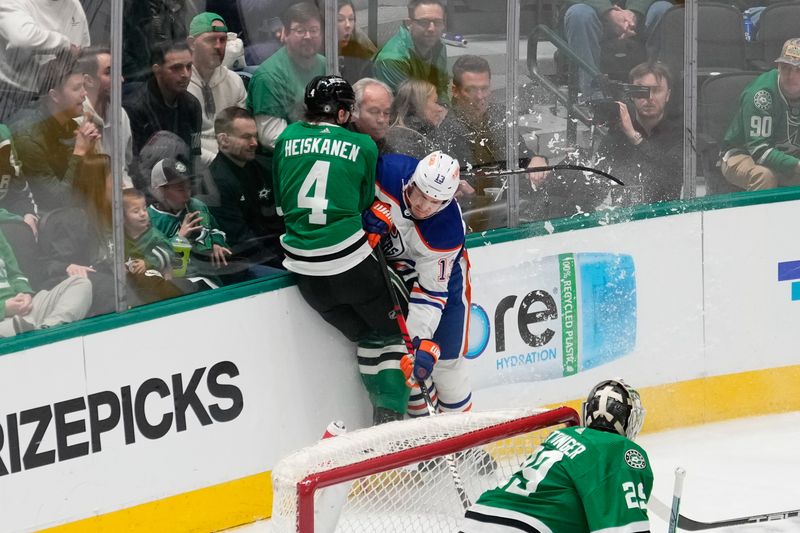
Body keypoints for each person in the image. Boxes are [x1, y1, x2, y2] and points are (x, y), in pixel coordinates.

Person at [272, 75, 413, 424]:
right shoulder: (363, 145)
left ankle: (380, 412)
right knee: (399, 325)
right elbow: (364, 207)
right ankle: (391, 414)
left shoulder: (285, 138)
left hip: (304, 272)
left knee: (368, 334)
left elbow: (280, 207)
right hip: (350, 262)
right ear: (340, 113)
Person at [460, 378, 652, 533]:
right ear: (629, 419)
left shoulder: (561, 435)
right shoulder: (620, 450)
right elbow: (622, 529)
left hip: (477, 517)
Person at [375, 151, 474, 418]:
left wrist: (420, 340)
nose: (424, 206)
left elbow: (430, 293)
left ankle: (467, 444)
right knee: (399, 361)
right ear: (412, 181)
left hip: (444, 285)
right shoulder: (386, 172)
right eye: (420, 194)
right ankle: (427, 444)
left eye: (435, 201)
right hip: (395, 275)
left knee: (447, 366)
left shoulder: (447, 231)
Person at [11, 51, 100, 214]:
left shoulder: (69, 126)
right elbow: (57, 201)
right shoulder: (28, 137)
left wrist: (91, 152)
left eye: (84, 86)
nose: (84, 93)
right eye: (76, 88)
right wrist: (79, 152)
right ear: (55, 96)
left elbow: (86, 189)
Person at [442, 55, 549, 190]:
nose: (480, 96)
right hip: (482, 204)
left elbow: (522, 155)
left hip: (515, 195)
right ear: (455, 91)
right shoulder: (448, 130)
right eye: (471, 90)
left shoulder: (499, 115)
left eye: (484, 88)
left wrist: (536, 159)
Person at [208, 106, 285, 273]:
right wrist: (284, 265)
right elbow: (241, 239)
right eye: (246, 137)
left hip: (279, 249)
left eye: (255, 136)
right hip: (250, 261)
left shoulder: (264, 166)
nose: (254, 143)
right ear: (223, 140)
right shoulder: (216, 182)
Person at [595, 61, 682, 204]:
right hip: (624, 216)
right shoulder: (617, 133)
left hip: (665, 215)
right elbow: (597, 183)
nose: (649, 98)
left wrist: (634, 137)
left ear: (668, 95)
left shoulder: (679, 132)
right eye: (642, 91)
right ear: (631, 95)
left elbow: (671, 172)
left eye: (657, 90)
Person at [719, 38, 800, 191]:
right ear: (778, 66)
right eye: (786, 67)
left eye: (799, 69)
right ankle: (756, 215)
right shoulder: (761, 95)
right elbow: (760, 151)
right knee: (764, 175)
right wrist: (796, 165)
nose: (791, 76)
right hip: (742, 154)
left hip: (786, 156)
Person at [246, 2, 326, 151]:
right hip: (285, 160)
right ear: (285, 34)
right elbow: (272, 137)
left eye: (314, 30)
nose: (308, 36)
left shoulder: (326, 65)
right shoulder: (268, 76)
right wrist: (320, 145)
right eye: (300, 30)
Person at [0, 0, 90, 122]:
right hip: (13, 95)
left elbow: (84, 51)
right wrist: (65, 44)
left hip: (59, 99)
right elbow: (23, 38)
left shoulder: (74, 5)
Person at [563, 0, 672, 97]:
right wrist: (608, 12)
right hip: (597, 16)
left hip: (639, 18)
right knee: (579, 14)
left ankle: (658, 90)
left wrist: (634, 12)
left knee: (663, 9)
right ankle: (591, 95)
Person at [147, 157, 230, 281]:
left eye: (189, 188)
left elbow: (215, 231)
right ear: (160, 191)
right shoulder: (148, 219)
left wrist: (217, 243)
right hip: (181, 285)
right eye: (180, 189)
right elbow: (150, 260)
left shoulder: (197, 206)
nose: (187, 194)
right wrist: (179, 238)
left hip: (213, 276)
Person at [0, 227, 92, 337]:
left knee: (80, 283)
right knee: (14, 329)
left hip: (24, 309)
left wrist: (25, 294)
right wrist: (4, 309)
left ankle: (49, 328)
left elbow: (15, 274)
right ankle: (38, 332)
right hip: (4, 321)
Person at [123, 40, 202, 162]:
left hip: (182, 175)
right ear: (157, 70)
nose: (185, 74)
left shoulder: (193, 105)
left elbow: (195, 155)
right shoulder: (134, 108)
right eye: (176, 68)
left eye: (189, 66)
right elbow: (135, 164)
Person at [186, 12, 248, 166]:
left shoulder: (234, 81)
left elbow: (242, 131)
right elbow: (184, 141)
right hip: (194, 165)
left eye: (223, 40)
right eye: (211, 40)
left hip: (232, 160)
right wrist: (219, 164)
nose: (218, 46)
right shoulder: (181, 83)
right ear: (192, 43)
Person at [76, 46, 135, 188]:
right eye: (109, 73)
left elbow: (123, 170)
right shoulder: (75, 120)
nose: (120, 79)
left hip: (119, 202)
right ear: (88, 80)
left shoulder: (121, 115)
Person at [373, 0, 450, 104]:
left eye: (437, 22)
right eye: (424, 22)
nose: (432, 28)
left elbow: (441, 89)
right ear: (409, 23)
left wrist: (447, 112)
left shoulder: (438, 46)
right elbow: (407, 106)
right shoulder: (392, 58)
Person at [384, 79, 448, 159]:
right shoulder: (402, 140)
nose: (440, 109)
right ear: (419, 104)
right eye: (435, 102)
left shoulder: (426, 133)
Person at [337, 0, 377, 86]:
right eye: (340, 19)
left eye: (351, 19)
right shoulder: (315, 47)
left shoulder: (362, 48)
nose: (348, 25)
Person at [351, 78, 393, 154]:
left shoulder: (391, 149)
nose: (381, 120)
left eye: (387, 112)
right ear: (355, 111)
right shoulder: (340, 146)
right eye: (374, 112)